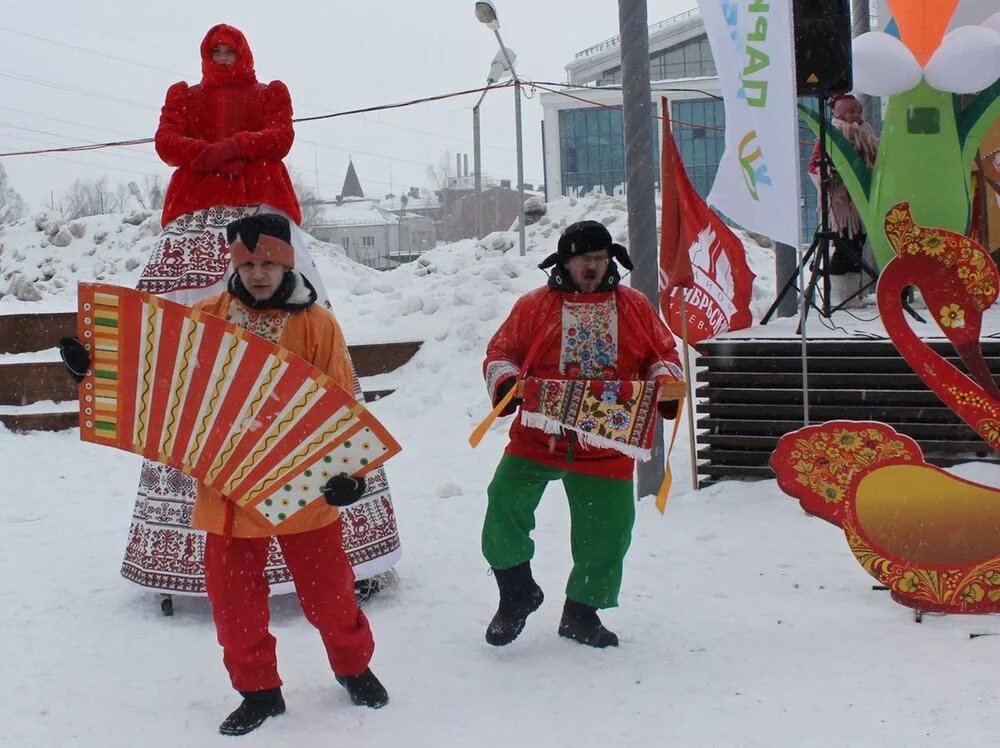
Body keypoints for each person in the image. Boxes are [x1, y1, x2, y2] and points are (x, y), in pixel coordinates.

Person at [63, 214, 390, 735]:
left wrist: (352, 472)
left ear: (287, 262)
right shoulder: (209, 316)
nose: (259, 273)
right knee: (234, 602)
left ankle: (354, 667)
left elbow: (341, 401)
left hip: (304, 485)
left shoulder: (317, 323)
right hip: (227, 490)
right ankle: (258, 691)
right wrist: (95, 369)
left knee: (330, 594)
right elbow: (160, 375)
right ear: (234, 264)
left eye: (268, 262)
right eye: (248, 263)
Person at [122, 23, 401, 605]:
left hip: (268, 221)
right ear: (206, 55)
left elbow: (278, 138)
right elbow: (168, 144)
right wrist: (229, 150)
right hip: (191, 239)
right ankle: (197, 561)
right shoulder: (184, 96)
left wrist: (218, 153)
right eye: (215, 51)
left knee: (308, 369)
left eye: (230, 50)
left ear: (243, 53)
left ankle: (345, 549)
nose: (223, 58)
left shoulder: (270, 93)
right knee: (190, 385)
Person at [480, 220, 683, 649]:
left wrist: (667, 385)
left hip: (608, 440)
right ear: (565, 263)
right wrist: (506, 384)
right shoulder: (534, 306)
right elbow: (501, 352)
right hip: (539, 434)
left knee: (608, 530)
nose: (592, 266)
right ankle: (516, 590)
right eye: (583, 259)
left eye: (599, 258)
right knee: (504, 500)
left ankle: (581, 612)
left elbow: (663, 353)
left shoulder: (635, 306)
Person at [807, 93, 880, 307]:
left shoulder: (866, 133)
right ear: (840, 113)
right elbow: (813, 166)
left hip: (860, 200)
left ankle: (853, 293)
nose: (856, 116)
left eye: (858, 111)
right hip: (840, 202)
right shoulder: (830, 135)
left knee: (858, 243)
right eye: (851, 111)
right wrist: (831, 172)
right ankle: (839, 295)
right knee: (844, 245)